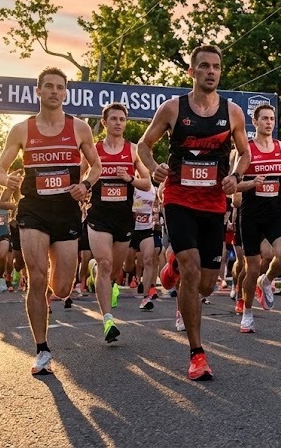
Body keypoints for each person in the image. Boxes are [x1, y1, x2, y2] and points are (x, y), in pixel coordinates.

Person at [137, 45, 250, 381]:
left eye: (216, 66)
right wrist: (154, 166)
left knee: (205, 284)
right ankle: (197, 353)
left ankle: (171, 270)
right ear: (192, 72)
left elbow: (243, 155)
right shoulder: (173, 109)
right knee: (191, 267)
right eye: (204, 66)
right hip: (179, 198)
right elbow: (144, 144)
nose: (211, 71)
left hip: (214, 203)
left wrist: (235, 176)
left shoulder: (233, 113)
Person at [0, 67, 102, 375]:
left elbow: (95, 166)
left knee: (63, 287)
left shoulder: (79, 128)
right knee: (37, 279)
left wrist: (86, 185)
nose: (55, 91)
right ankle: (41, 349)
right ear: (37, 91)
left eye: (60, 87)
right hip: (33, 210)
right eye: (49, 87)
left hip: (66, 210)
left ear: (65, 93)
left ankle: (56, 291)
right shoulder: (22, 130)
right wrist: (7, 181)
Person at [85, 102, 152, 343]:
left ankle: (96, 273)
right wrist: (84, 188)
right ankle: (108, 321)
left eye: (122, 119)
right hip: (99, 216)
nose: (118, 123)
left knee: (113, 270)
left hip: (123, 218)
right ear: (104, 123)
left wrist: (130, 178)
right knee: (105, 263)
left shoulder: (132, 151)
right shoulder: (93, 150)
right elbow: (81, 176)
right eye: (113, 119)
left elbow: (147, 183)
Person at [232, 104, 281, 333]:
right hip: (250, 215)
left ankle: (266, 282)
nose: (269, 122)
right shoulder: (245, 149)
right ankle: (247, 313)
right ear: (255, 122)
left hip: (274, 214)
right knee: (252, 268)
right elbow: (233, 184)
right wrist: (251, 183)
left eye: (272, 119)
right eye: (264, 119)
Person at [132, 182, 160, 310]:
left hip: (146, 230)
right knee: (126, 266)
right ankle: (113, 286)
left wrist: (156, 216)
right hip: (130, 230)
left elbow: (157, 206)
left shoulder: (154, 189)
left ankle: (146, 297)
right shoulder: (132, 185)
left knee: (149, 261)